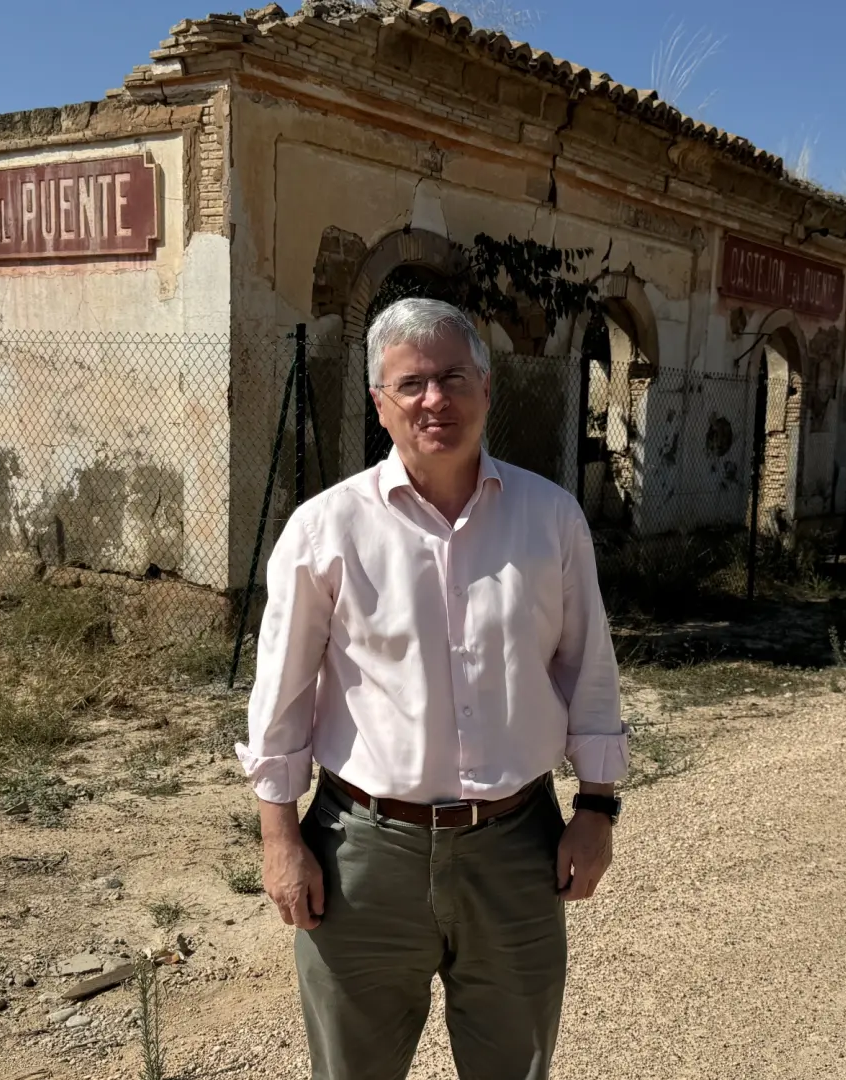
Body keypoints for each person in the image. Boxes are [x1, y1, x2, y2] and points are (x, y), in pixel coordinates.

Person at [237, 297, 628, 1080]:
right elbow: (278, 701)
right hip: (364, 856)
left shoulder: (551, 520)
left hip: (517, 848)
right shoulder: (325, 530)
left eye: (453, 377)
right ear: (380, 404)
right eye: (410, 383)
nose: (434, 400)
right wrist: (280, 842)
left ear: (486, 387)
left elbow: (588, 671)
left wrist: (597, 809)